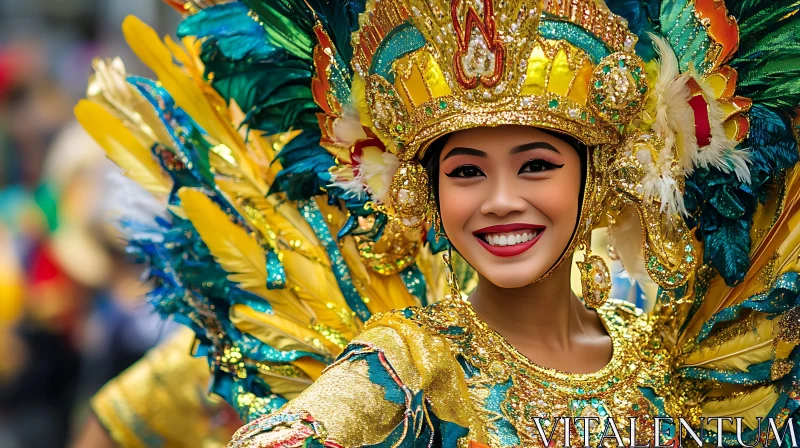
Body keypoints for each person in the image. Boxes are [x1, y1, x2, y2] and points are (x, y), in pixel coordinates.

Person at [78, 0, 800, 446]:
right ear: (424, 193)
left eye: (537, 165)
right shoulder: (410, 364)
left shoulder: (658, 361)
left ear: (599, 174)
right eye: (465, 172)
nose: (500, 199)